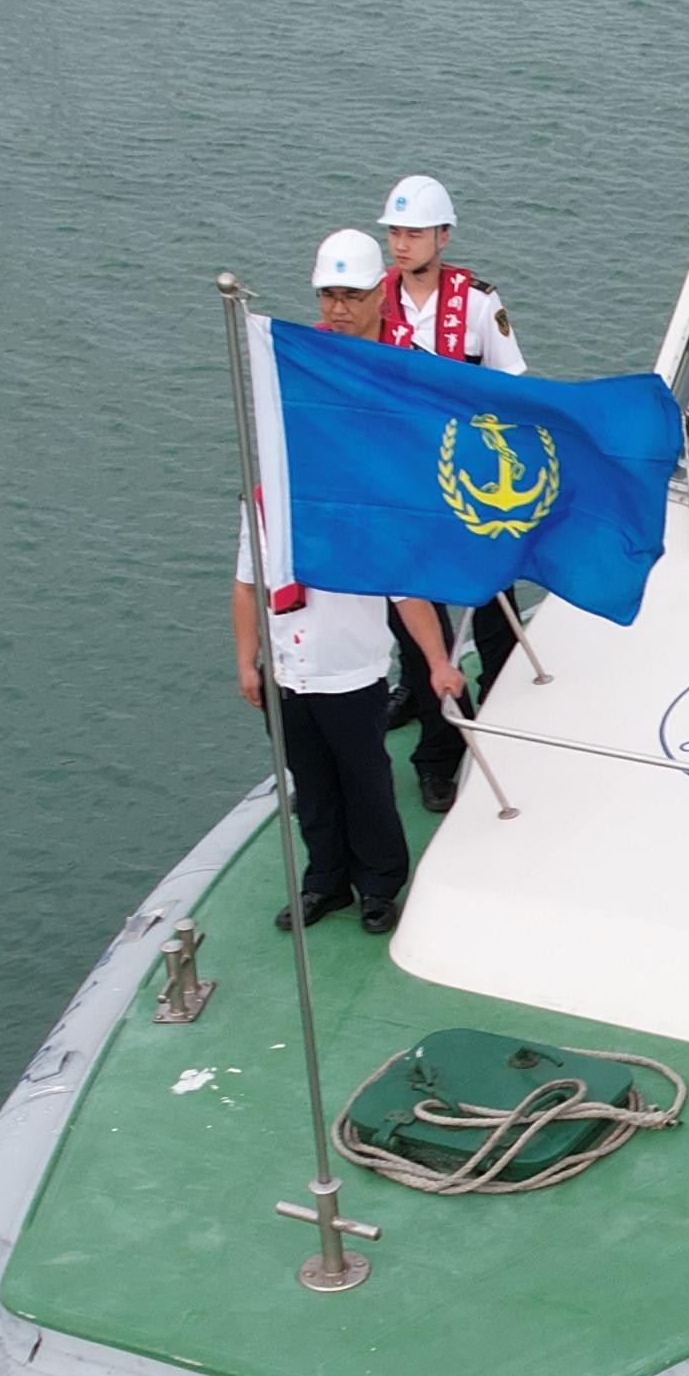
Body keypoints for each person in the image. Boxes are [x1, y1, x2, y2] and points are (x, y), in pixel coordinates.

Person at [233, 245, 469, 938]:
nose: (337, 309)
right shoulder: (268, 505)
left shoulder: (362, 504)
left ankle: (379, 885)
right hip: (290, 671)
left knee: (367, 785)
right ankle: (325, 882)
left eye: (351, 296)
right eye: (328, 296)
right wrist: (247, 662)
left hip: (349, 672)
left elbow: (406, 590)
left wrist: (437, 662)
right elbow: (245, 584)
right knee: (312, 791)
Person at [365, 176, 526, 812]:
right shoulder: (374, 300)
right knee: (410, 612)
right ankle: (438, 744)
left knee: (490, 605)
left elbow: (513, 386)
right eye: (395, 233)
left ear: (443, 236)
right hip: (403, 482)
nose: (401, 244)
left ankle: (507, 705)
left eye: (414, 233)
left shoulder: (479, 304)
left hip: (470, 483)